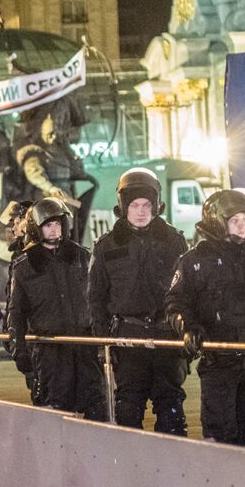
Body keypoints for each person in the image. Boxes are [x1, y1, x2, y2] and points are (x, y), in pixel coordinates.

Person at [87, 168, 190, 434]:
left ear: (156, 206)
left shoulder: (175, 242)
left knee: (171, 410)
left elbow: (189, 291)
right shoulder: (107, 246)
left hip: (167, 337)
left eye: (146, 205)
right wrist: (102, 342)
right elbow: (96, 298)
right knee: (128, 411)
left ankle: (173, 468)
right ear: (123, 207)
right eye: (134, 205)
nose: (141, 211)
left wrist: (187, 330)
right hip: (128, 339)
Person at [166, 190, 245, 446]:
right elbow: (175, 302)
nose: (242, 226)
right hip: (218, 361)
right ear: (217, 221)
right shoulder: (194, 261)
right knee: (219, 435)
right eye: (234, 220)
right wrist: (188, 327)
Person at [7, 198, 105, 419]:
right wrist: (18, 348)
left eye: (57, 224)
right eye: (48, 225)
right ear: (37, 228)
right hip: (50, 351)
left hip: (84, 346)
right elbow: (16, 312)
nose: (54, 230)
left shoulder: (81, 256)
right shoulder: (25, 266)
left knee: (96, 408)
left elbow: (99, 298)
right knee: (57, 411)